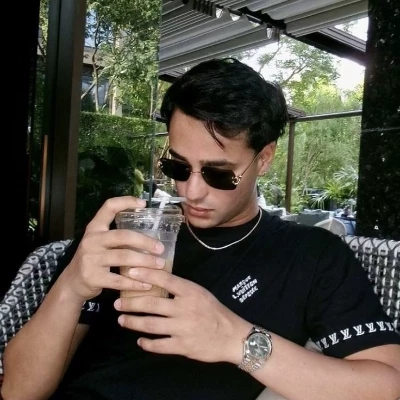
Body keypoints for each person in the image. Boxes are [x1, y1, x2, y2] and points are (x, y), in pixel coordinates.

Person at [2, 58, 400, 400]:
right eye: (177, 166)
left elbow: (388, 385)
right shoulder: (125, 235)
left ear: (264, 159)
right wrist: (72, 285)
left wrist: (234, 339)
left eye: (218, 173)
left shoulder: (311, 256)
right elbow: (18, 391)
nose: (191, 191)